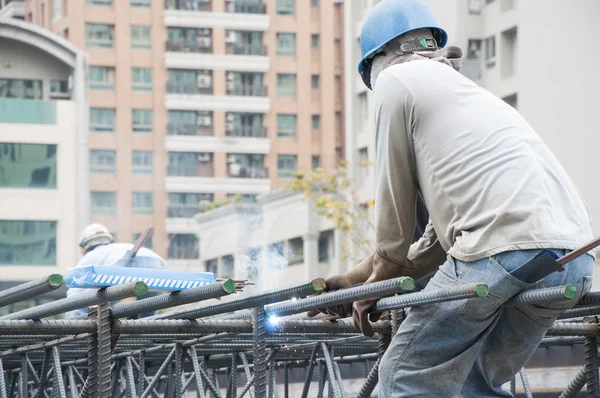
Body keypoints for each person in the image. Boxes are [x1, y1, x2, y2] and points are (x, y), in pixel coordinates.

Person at [311, 0, 595, 396]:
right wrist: (358, 279)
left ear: (377, 60)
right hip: (573, 259)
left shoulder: (396, 82)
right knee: (472, 382)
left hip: (499, 251)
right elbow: (436, 242)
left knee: (403, 375)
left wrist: (374, 287)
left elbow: (394, 231)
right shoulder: (470, 96)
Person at [65, 223, 168, 320]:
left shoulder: (89, 257)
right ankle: (145, 332)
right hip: (159, 267)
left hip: (127, 265)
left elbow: (74, 296)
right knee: (148, 312)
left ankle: (74, 332)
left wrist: (69, 323)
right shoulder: (116, 249)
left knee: (82, 305)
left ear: (84, 248)